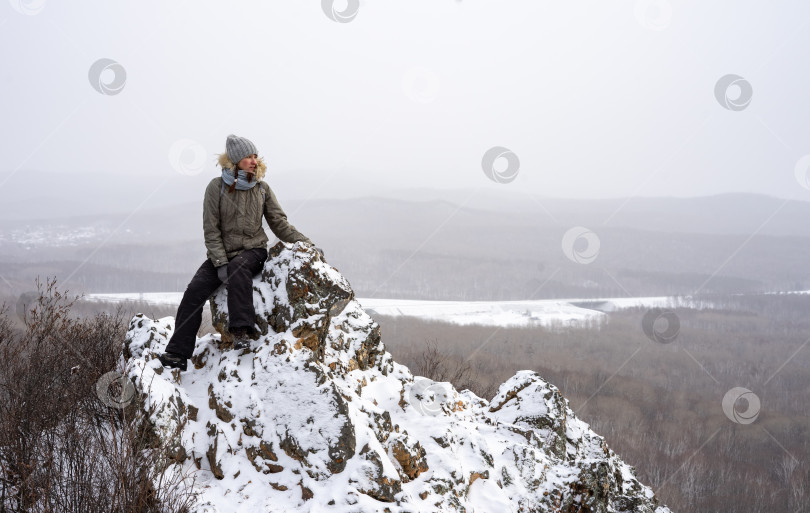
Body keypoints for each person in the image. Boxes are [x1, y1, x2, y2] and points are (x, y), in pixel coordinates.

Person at [158, 134, 321, 371]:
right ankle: (176, 354)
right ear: (235, 161)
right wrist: (220, 262)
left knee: (239, 268)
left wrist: (306, 243)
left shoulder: (262, 189)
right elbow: (211, 229)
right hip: (221, 253)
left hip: (253, 251)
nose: (254, 161)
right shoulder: (216, 187)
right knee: (194, 291)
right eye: (248, 157)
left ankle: (241, 332)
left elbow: (279, 223)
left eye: (256, 156)